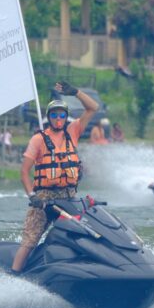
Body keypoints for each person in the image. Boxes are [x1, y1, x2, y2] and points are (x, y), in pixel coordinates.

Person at [12, 81, 99, 273]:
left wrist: (76, 92)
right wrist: (32, 196)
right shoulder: (38, 139)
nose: (58, 118)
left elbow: (93, 108)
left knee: (81, 232)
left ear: (66, 117)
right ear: (49, 117)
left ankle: (80, 268)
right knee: (30, 239)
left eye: (61, 115)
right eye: (54, 115)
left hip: (68, 197)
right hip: (44, 199)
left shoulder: (73, 132)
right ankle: (14, 274)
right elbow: (24, 172)